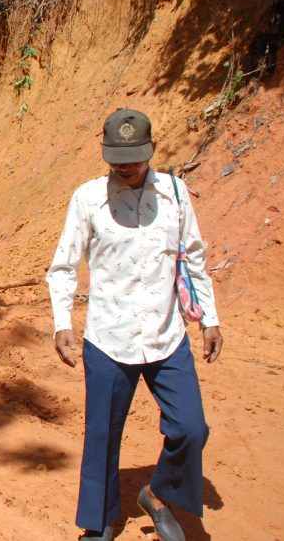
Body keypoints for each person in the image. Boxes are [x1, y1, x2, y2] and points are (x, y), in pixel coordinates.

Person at [45, 109, 224, 541]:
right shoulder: (88, 199)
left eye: (134, 157)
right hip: (109, 337)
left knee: (190, 427)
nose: (125, 166)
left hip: (167, 335)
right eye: (116, 158)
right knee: (102, 434)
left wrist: (210, 319)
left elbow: (194, 258)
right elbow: (64, 266)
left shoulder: (176, 195)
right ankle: (99, 521)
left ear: (152, 151)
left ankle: (158, 494)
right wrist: (61, 321)